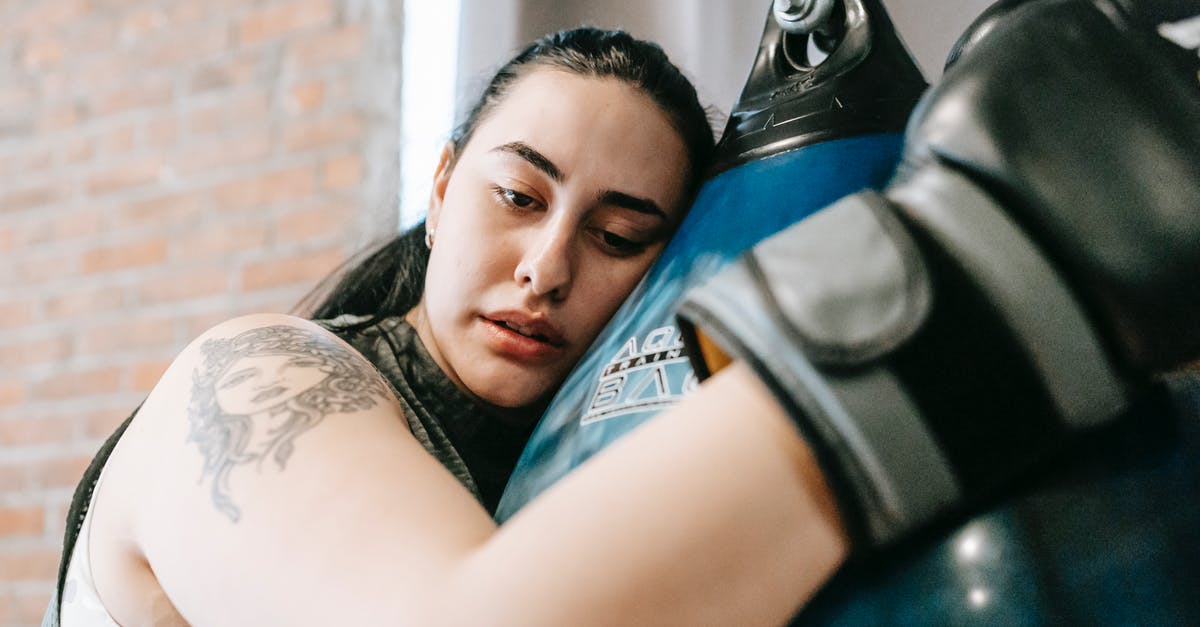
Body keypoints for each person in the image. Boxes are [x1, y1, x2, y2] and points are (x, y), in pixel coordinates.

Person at [47, 1, 1200, 625]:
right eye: (517, 195)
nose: (546, 267)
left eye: (619, 236)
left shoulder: (574, 487)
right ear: (442, 188)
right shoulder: (252, 380)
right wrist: (999, 267)